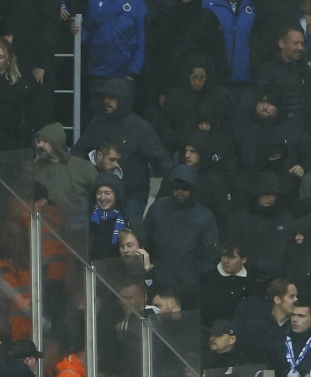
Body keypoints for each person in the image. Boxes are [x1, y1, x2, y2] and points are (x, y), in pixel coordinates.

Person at [72, 79, 172, 208]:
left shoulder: (140, 128)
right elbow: (77, 153)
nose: (106, 101)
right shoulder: (96, 124)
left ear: (123, 100)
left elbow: (161, 160)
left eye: (112, 98)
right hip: (99, 194)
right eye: (105, 97)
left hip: (131, 196)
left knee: (126, 227)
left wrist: (180, 177)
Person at [142, 163, 219, 297]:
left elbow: (210, 257)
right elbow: (146, 241)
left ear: (193, 189)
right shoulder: (158, 209)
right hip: (159, 281)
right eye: (176, 187)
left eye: (185, 188)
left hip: (190, 287)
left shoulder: (205, 217)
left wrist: (195, 280)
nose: (180, 192)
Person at [81, 0, 146, 89]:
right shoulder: (95, 1)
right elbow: (87, 33)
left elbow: (143, 42)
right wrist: (76, 33)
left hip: (123, 77)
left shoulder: (137, 4)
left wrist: (133, 72)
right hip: (96, 74)